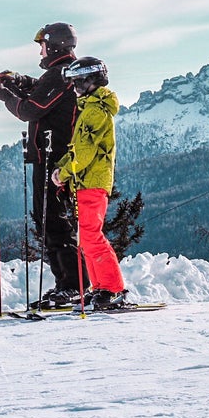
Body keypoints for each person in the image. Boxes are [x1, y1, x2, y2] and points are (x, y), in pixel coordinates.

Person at [0, 22, 82, 308]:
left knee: (53, 221)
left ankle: (73, 285)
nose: (40, 50)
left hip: (54, 160)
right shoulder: (61, 73)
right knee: (47, 220)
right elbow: (40, 90)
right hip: (50, 157)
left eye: (42, 44)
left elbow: (30, 109)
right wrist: (18, 79)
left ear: (54, 45)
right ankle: (67, 283)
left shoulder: (60, 74)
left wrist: (7, 95)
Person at [51, 56, 127, 310]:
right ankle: (100, 287)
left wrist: (64, 172)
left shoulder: (95, 111)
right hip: (85, 182)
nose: (75, 88)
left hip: (92, 182)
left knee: (92, 236)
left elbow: (84, 151)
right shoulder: (90, 109)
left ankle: (113, 288)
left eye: (78, 83)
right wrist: (61, 166)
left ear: (91, 80)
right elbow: (77, 148)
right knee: (86, 238)